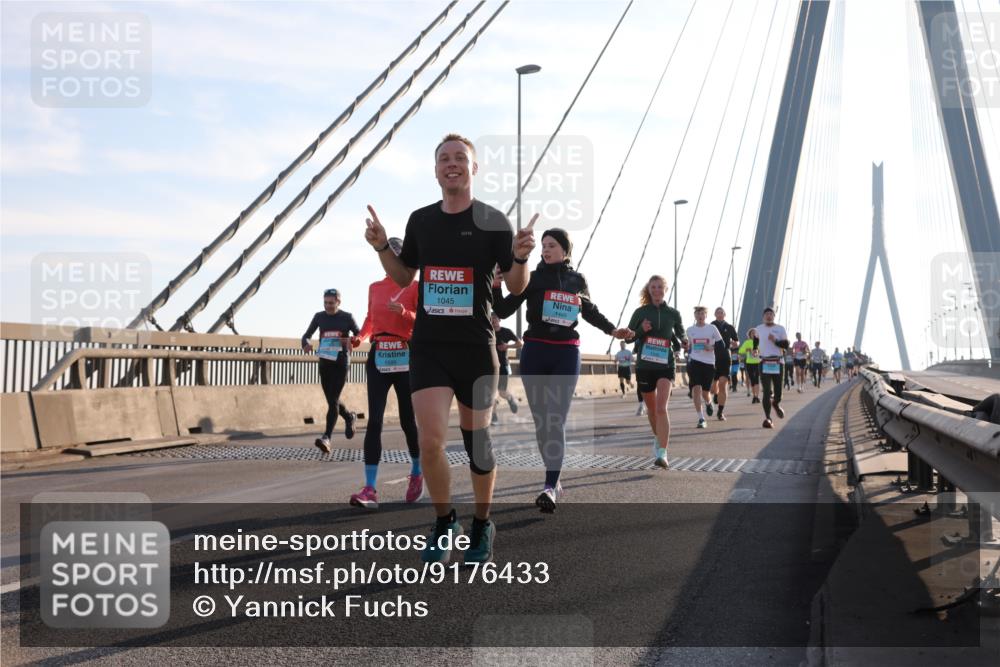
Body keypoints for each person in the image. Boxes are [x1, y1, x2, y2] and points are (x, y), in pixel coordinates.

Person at [363, 133, 534, 565]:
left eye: (460, 158)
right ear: (435, 169)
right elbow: (404, 278)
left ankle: (482, 524)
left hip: (476, 346)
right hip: (429, 347)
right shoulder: (421, 221)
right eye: (444, 159)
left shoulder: (494, 221)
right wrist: (383, 246)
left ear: (473, 169)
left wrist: (520, 258)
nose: (452, 164)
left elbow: (515, 286)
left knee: (477, 443)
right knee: (432, 440)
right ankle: (444, 521)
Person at [492, 228, 631, 512]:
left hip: (566, 353)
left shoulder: (577, 280)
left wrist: (613, 330)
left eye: (551, 245)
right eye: (543, 245)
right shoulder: (532, 277)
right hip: (535, 353)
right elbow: (504, 310)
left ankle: (549, 485)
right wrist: (496, 285)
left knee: (555, 420)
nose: (545, 250)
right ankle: (553, 477)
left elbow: (590, 311)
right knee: (543, 424)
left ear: (565, 251)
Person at [350, 238, 422, 509]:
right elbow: (370, 318)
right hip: (379, 354)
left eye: (398, 253)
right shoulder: (375, 287)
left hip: (405, 353)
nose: (393, 257)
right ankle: (370, 489)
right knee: (375, 421)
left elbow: (423, 319)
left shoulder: (414, 286)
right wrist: (360, 337)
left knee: (407, 420)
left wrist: (404, 312)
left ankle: (416, 471)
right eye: (389, 253)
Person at [626, 275, 687, 468]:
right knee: (652, 411)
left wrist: (685, 340)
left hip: (665, 365)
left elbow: (680, 332)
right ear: (649, 290)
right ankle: (657, 436)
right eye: (653, 287)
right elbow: (629, 338)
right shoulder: (640, 312)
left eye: (660, 287)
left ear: (665, 289)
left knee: (661, 408)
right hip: (645, 366)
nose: (657, 290)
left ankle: (663, 452)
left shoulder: (673, 313)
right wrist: (641, 330)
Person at [301, 288, 359, 453]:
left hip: (341, 362)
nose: (328, 306)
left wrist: (352, 340)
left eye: (331, 303)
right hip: (325, 362)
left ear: (338, 302)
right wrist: (305, 344)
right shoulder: (319, 317)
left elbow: (359, 334)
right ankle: (349, 416)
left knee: (333, 400)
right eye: (325, 303)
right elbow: (306, 335)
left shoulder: (347, 317)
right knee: (332, 400)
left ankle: (327, 437)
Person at [757, 307, 789, 428]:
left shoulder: (780, 329)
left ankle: (776, 403)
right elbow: (755, 342)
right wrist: (755, 350)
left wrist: (775, 340)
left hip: (778, 362)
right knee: (766, 391)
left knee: (778, 392)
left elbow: (786, 345)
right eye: (766, 314)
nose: (769, 316)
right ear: (763, 316)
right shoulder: (759, 329)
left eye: (771, 314)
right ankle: (768, 418)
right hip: (764, 361)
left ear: (774, 316)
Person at [490, 312, 521, 425]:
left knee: (502, 392)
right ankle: (494, 417)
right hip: (490, 366)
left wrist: (507, 346)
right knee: (491, 393)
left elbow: (519, 343)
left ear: (499, 320)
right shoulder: (488, 332)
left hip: (503, 365)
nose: (493, 321)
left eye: (495, 319)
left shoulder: (506, 332)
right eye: (491, 319)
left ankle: (510, 398)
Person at [709, 307, 739, 421]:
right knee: (712, 388)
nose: (720, 314)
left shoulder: (729, 327)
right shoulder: (711, 326)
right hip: (712, 358)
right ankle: (715, 394)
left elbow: (737, 340)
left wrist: (735, 343)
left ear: (724, 314)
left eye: (721, 312)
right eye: (718, 312)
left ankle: (720, 412)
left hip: (726, 357)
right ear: (715, 314)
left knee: (723, 384)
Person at [738, 328, 762, 403]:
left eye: (755, 333)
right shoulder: (747, 342)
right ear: (749, 334)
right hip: (749, 363)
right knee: (752, 379)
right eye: (752, 333)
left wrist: (758, 351)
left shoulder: (759, 342)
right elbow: (740, 351)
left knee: (756, 379)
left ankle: (757, 396)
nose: (753, 334)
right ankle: (754, 395)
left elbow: (763, 351)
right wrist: (747, 350)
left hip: (757, 362)